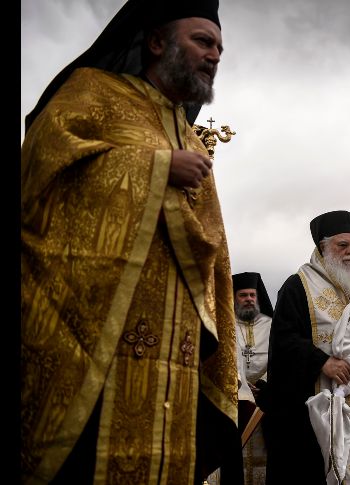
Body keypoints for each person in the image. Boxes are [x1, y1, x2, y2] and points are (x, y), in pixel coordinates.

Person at [21, 1, 242, 483]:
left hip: (177, 355)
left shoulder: (190, 134)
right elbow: (40, 176)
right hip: (92, 347)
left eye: (220, 48)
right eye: (203, 41)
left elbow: (214, 249)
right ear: (157, 41)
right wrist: (156, 167)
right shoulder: (92, 93)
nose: (214, 55)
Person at [263, 210, 350, 485]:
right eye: (342, 245)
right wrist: (321, 362)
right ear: (323, 247)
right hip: (318, 416)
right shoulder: (297, 287)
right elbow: (283, 341)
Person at [232, 272, 273, 484]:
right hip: (235, 398)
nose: (249, 299)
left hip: (266, 401)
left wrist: (264, 382)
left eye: (252, 295)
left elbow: (281, 358)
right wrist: (238, 380)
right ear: (234, 297)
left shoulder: (271, 326)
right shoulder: (226, 325)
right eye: (243, 295)